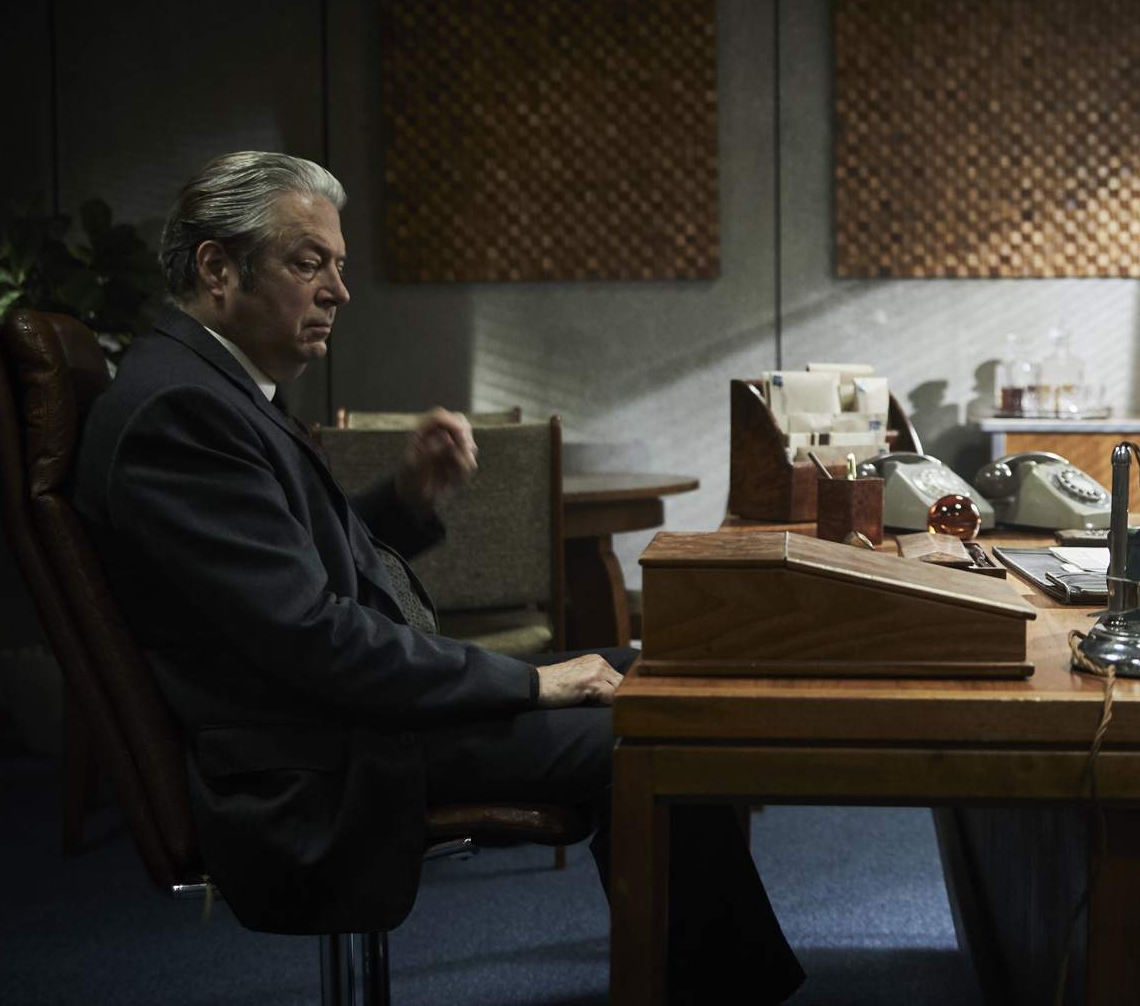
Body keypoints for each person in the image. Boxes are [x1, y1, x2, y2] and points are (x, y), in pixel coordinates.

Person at [73, 152, 803, 1002]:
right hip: (315, 761)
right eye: (309, 263)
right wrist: (528, 684)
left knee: (656, 678)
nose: (339, 291)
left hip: (337, 718)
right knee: (651, 735)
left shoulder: (208, 387)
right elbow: (309, 635)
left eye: (337, 265)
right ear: (216, 268)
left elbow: (288, 573)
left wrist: (408, 498)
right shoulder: (182, 412)